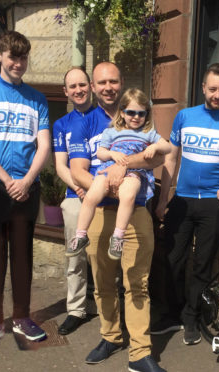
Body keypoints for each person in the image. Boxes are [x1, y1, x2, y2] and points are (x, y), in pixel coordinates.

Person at [69, 62, 166, 372]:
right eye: (101, 82)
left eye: (113, 80)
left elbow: (161, 155)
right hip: (101, 212)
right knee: (103, 282)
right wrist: (112, 182)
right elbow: (77, 170)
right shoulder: (85, 121)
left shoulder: (142, 119)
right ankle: (110, 336)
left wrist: (126, 166)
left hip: (136, 212)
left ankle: (140, 352)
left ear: (121, 83)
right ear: (94, 87)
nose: (108, 86)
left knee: (137, 283)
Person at [154, 63, 219, 345]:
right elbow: (171, 159)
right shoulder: (184, 116)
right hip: (183, 201)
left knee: (202, 266)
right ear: (203, 87)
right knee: (172, 261)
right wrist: (164, 198)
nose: (217, 94)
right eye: (212, 89)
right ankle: (171, 315)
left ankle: (191, 318)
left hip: (213, 205)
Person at [0, 31, 50, 343]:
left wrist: (25, 180)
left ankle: (22, 318)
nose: (18, 63)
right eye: (13, 56)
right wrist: (8, 180)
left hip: (27, 188)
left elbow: (44, 145)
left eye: (23, 57)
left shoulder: (37, 99)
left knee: (23, 256)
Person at [67, 88, 171, 261]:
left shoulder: (148, 133)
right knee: (91, 195)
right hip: (109, 168)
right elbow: (101, 152)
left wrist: (154, 146)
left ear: (146, 114)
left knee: (128, 195)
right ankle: (80, 234)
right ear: (122, 113)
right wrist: (112, 154)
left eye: (141, 113)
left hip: (134, 172)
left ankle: (118, 236)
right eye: (131, 112)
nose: (136, 117)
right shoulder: (112, 131)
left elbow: (167, 148)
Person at [53, 67, 96, 336]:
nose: (78, 90)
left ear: (90, 86)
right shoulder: (62, 125)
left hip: (106, 199)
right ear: (66, 92)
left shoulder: (107, 117)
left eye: (82, 84)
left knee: (107, 255)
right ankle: (76, 309)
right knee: (75, 256)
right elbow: (60, 165)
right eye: (73, 86)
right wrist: (80, 189)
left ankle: (108, 307)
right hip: (75, 198)